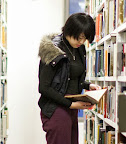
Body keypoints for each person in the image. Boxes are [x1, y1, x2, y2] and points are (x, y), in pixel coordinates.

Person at [37, 12, 101, 144]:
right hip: (56, 109)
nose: (82, 42)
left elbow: (68, 77)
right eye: (79, 38)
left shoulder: (79, 49)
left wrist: (87, 86)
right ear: (69, 30)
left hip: (71, 108)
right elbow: (44, 87)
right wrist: (70, 104)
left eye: (85, 38)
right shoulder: (52, 49)